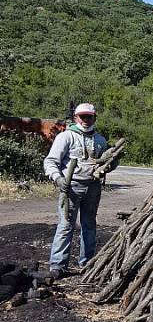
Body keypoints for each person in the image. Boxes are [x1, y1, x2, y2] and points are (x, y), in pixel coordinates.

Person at [43, 103, 118, 278]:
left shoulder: (100, 140)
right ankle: (58, 265)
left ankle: (87, 263)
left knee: (89, 225)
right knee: (65, 225)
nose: (86, 120)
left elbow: (105, 165)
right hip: (71, 186)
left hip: (93, 186)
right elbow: (50, 162)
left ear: (94, 118)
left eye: (89, 116)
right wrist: (59, 179)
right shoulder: (66, 137)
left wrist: (113, 162)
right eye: (82, 116)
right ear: (76, 118)